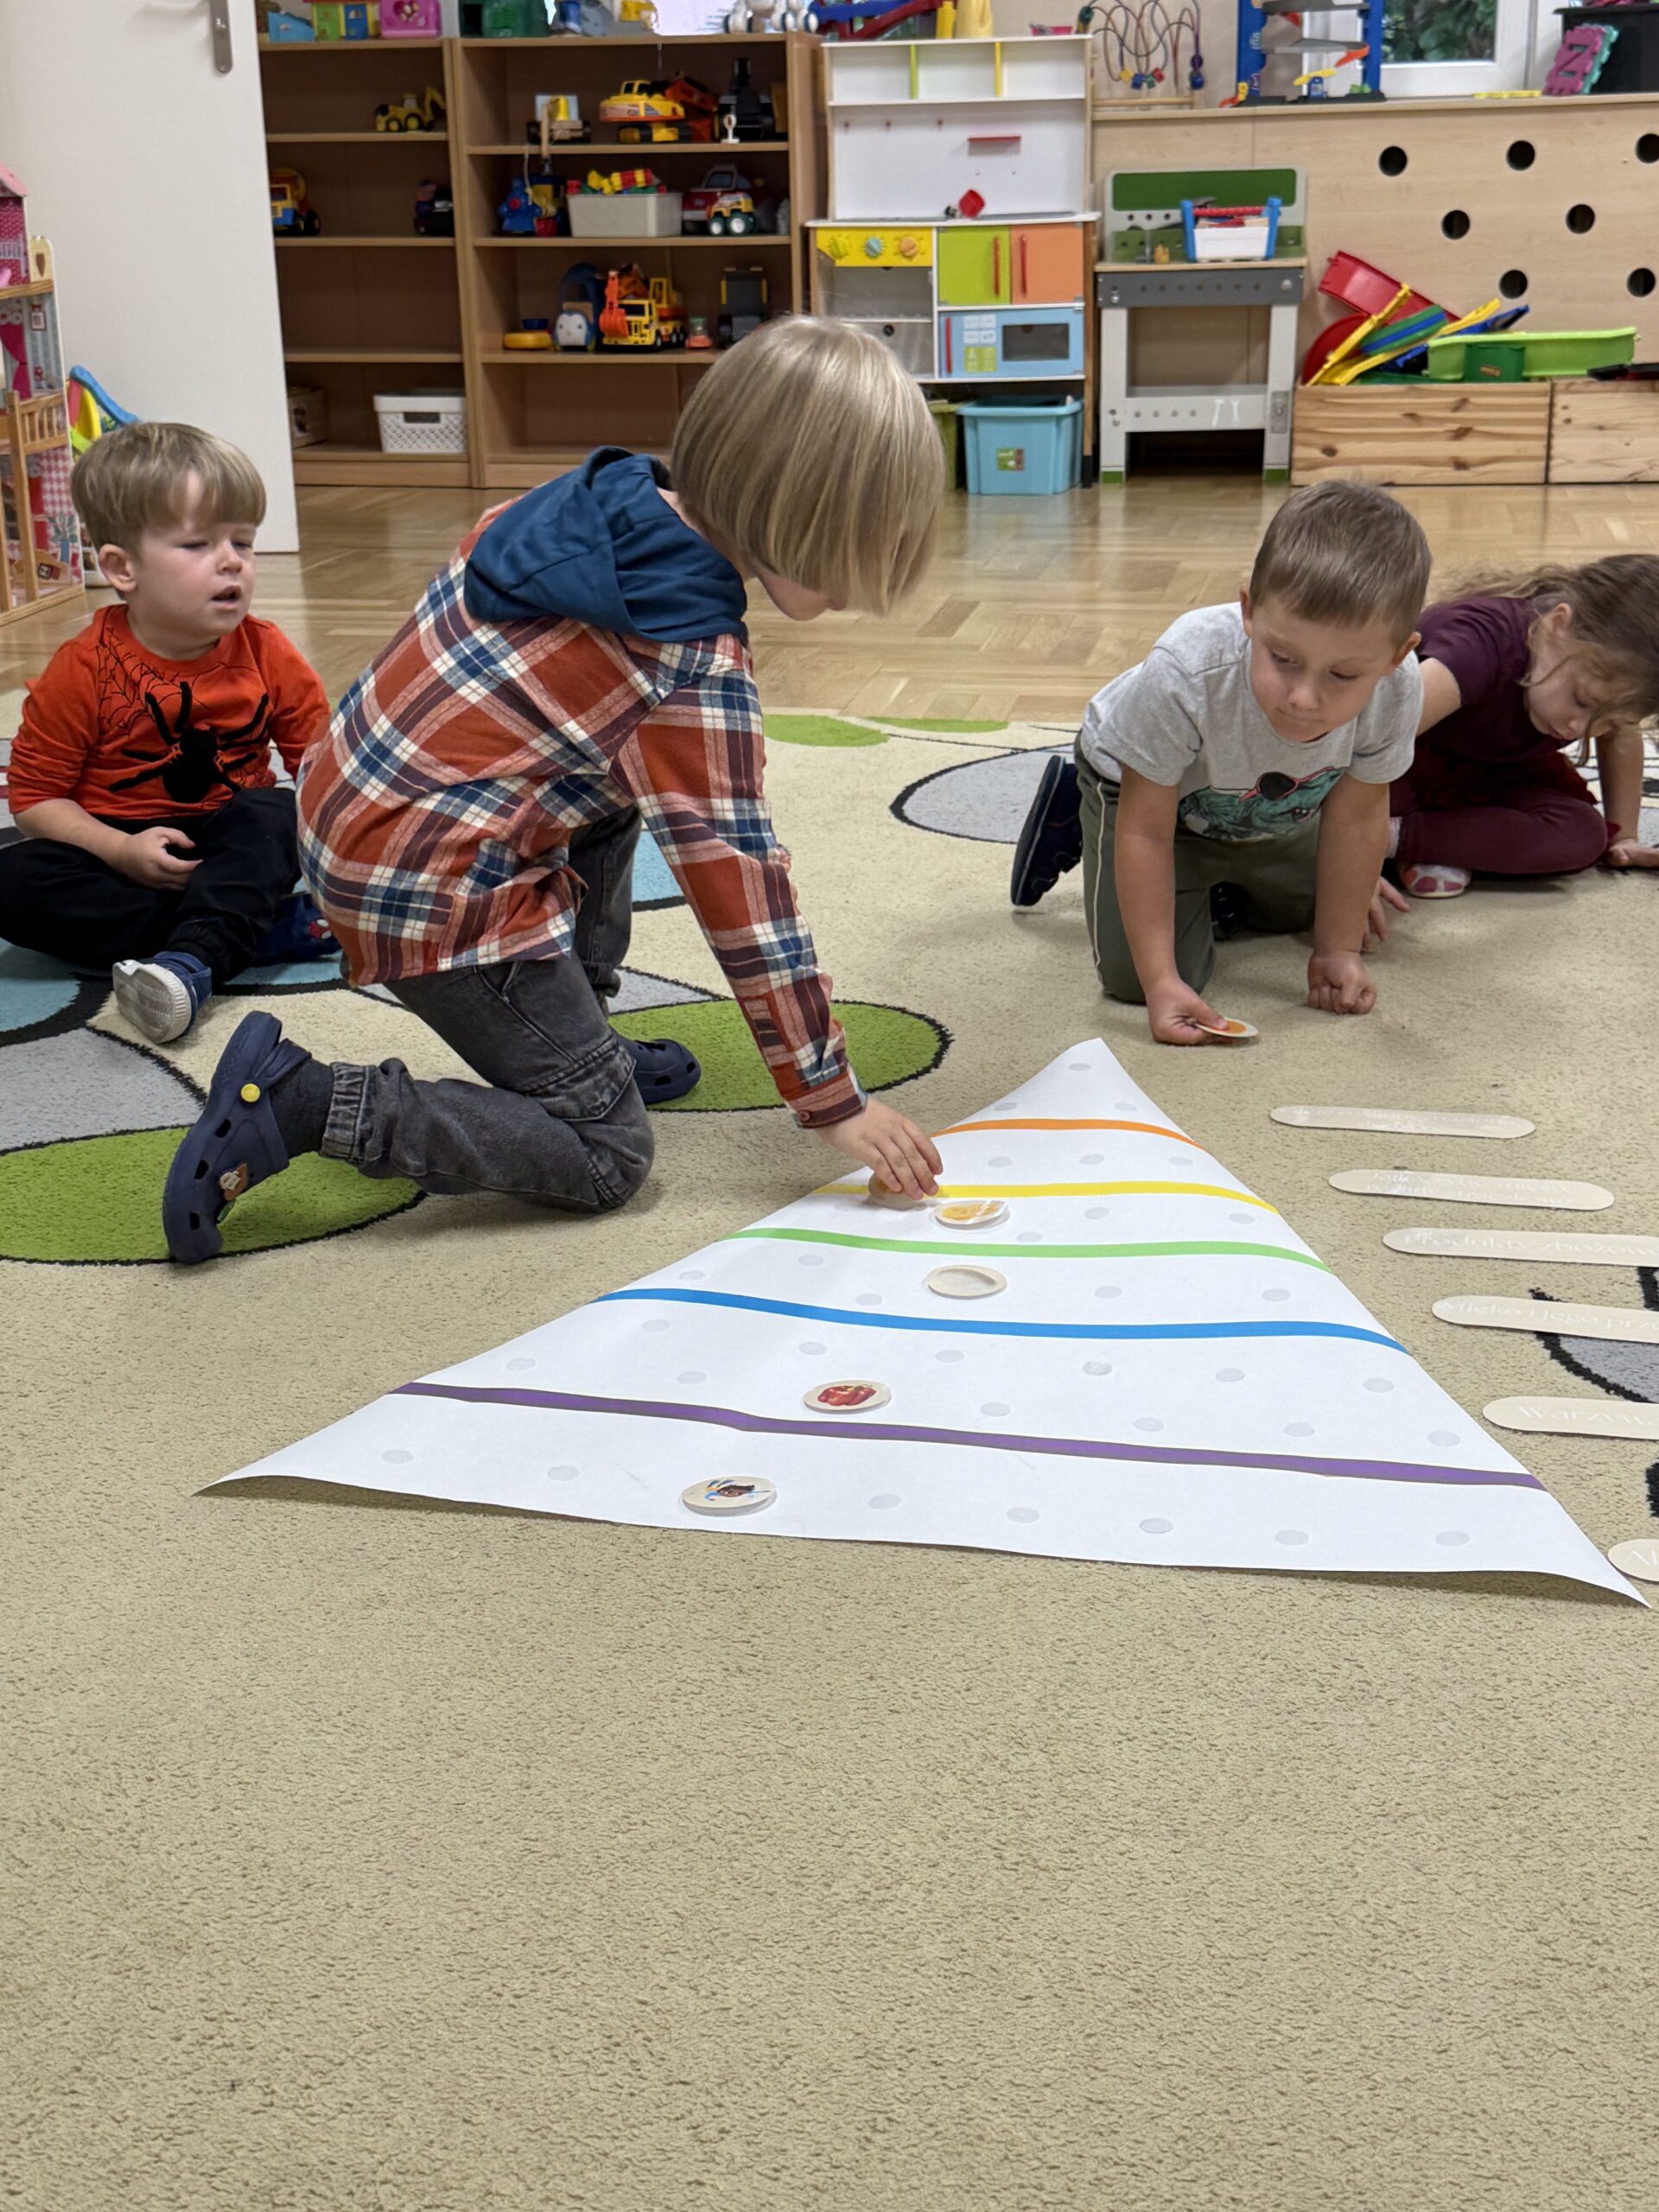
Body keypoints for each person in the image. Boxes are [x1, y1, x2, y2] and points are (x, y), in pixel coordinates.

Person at [162, 319, 946, 1263]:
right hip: (426, 891)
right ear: (801, 516)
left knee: (614, 778)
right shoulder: (689, 664)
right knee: (608, 1155)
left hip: (349, 809)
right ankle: (305, 1101)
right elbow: (745, 894)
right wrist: (831, 1097)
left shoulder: (579, 505)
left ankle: (583, 1047)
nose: (862, 586)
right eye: (862, 549)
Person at [1008, 480, 1429, 1044]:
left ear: (1397, 656)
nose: (1304, 698)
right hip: (1140, 794)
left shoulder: (1399, 686)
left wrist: (1338, 948)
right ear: (1249, 611)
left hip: (1266, 805)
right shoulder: (1186, 671)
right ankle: (1076, 811)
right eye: (1283, 658)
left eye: (1342, 675)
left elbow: (1356, 817)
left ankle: (1215, 885)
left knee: (1325, 905)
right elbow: (1145, 831)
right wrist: (1162, 982)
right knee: (1134, 980)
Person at [0, 422, 334, 1044]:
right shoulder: (83, 668)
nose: (232, 561)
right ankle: (244, 935)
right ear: (122, 568)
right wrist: (120, 850)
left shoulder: (267, 651)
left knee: (277, 812)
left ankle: (193, 958)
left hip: (230, 840)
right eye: (198, 544)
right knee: (13, 882)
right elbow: (35, 801)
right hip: (115, 848)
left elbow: (322, 769)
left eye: (243, 541)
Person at [1370, 556, 1659, 920]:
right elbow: (1370, 741)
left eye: (1606, 720)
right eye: (1582, 701)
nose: (1578, 728)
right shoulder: (1475, 649)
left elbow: (1622, 732)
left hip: (1492, 769)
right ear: (1558, 625)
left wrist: (1625, 836)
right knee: (1362, 797)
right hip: (1403, 762)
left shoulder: (1587, 682)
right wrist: (1354, 856)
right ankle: (1378, 838)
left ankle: (1400, 838)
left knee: (1584, 834)